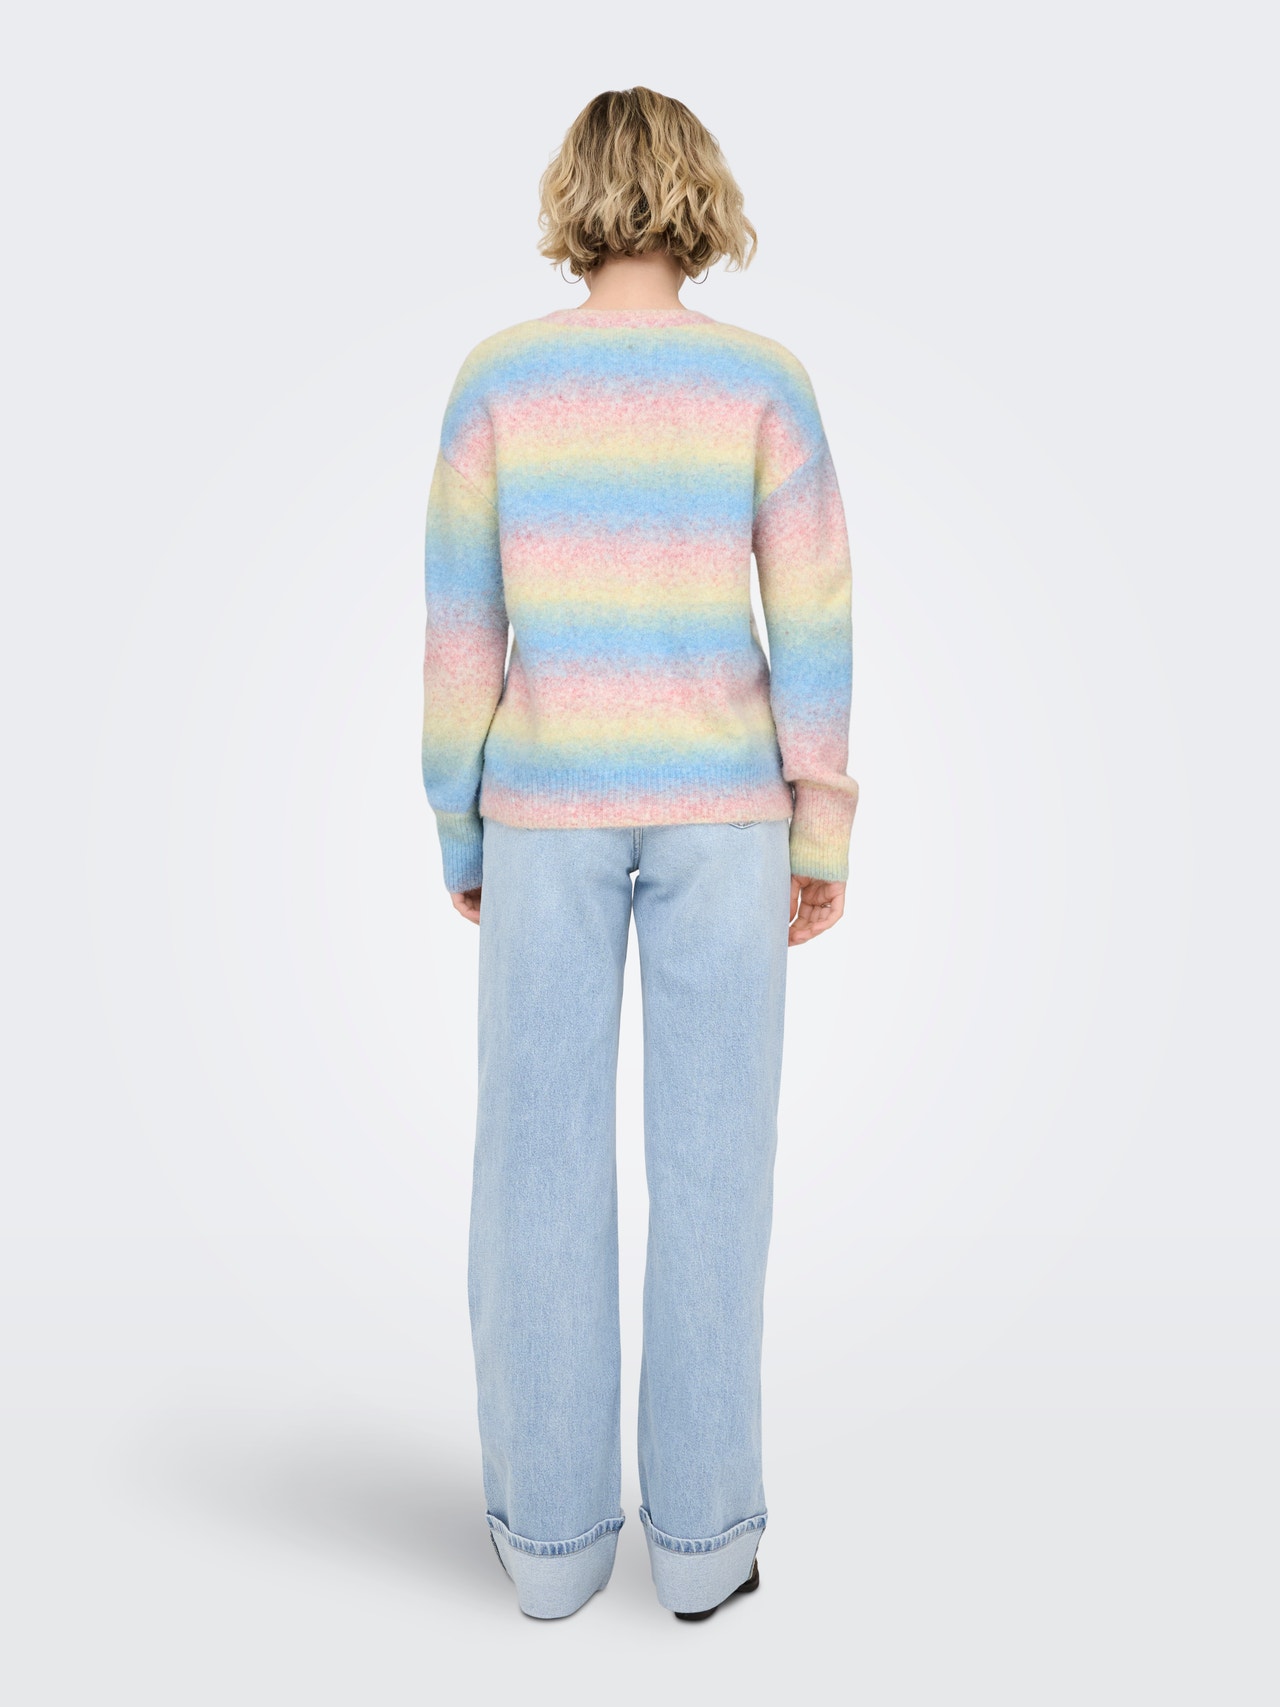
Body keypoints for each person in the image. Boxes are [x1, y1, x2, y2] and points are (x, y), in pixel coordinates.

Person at [420, 86, 858, 1621]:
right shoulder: (762, 384)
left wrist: (459, 816)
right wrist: (820, 819)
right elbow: (814, 617)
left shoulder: (499, 382)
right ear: (699, 196)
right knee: (716, 1177)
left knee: (533, 1176)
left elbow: (460, 628)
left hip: (542, 808)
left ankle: (548, 1555)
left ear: (575, 197)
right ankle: (704, 1550)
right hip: (725, 816)